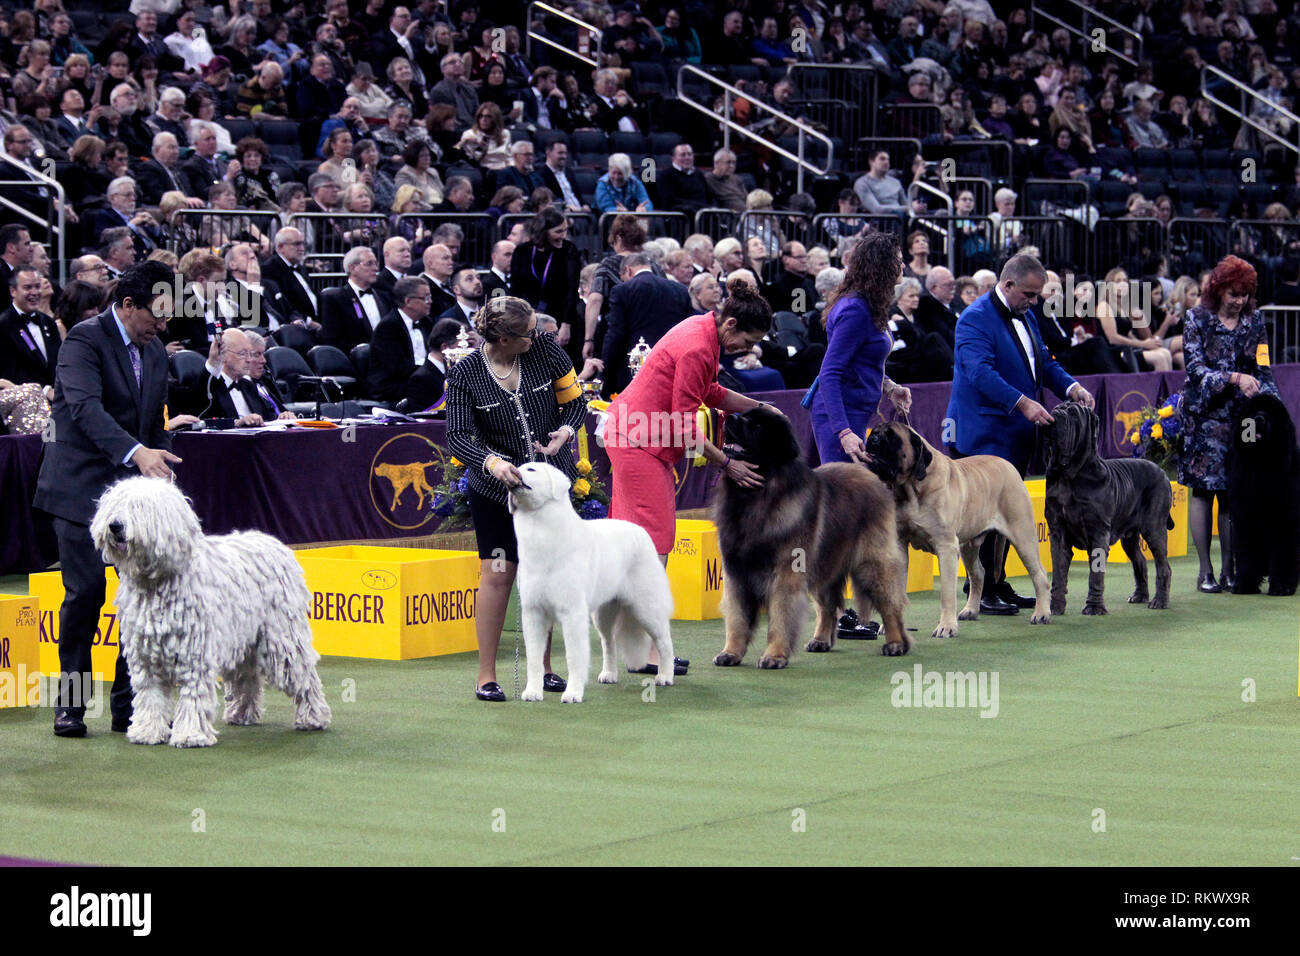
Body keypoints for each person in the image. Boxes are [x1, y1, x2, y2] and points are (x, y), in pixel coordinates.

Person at [33, 261, 180, 738]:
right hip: (78, 490)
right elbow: (84, 407)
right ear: (128, 304)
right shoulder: (83, 340)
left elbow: (156, 421)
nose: (163, 325)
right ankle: (71, 708)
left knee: (137, 599)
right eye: (155, 315)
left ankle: (128, 707)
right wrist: (138, 454)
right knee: (87, 594)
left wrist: (161, 476)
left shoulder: (155, 351)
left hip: (133, 499)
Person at [445, 296, 587, 701]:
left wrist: (565, 431)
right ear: (503, 338)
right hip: (495, 489)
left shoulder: (545, 348)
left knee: (545, 576)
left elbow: (573, 400)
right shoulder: (466, 372)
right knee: (498, 573)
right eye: (526, 334)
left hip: (548, 487)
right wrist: (490, 462)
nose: (538, 337)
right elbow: (458, 436)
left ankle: (543, 669)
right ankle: (486, 676)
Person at [946, 254, 1095, 614]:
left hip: (1013, 434)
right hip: (982, 434)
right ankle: (978, 590)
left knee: (1006, 515)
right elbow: (979, 373)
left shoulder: (1026, 315)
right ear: (1008, 284)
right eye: (1029, 294)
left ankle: (996, 582)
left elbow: (1043, 361)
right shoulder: (974, 319)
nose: (1034, 301)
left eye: (1038, 295)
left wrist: (1072, 388)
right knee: (980, 517)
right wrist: (1023, 403)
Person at [604, 278, 773, 596]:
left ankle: (632, 637)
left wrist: (760, 408)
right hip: (636, 441)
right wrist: (727, 463)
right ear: (732, 323)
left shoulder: (704, 327)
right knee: (656, 538)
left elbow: (709, 391)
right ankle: (651, 644)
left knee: (631, 538)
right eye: (748, 340)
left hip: (632, 435)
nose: (748, 349)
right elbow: (684, 427)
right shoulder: (698, 346)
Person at [1179, 256, 1279, 593]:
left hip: (1243, 420)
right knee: (1204, 490)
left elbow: (1264, 369)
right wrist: (1234, 377)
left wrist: (1273, 408)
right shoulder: (1195, 319)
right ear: (1218, 289)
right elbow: (1194, 369)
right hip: (1203, 416)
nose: (1239, 302)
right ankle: (1205, 571)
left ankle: (1230, 569)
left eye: (1245, 295)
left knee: (1235, 493)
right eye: (1233, 294)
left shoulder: (1256, 322)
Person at [808, 231, 913, 468]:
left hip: (851, 411)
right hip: (840, 414)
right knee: (843, 498)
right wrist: (843, 432)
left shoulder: (868, 303)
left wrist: (888, 387)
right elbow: (830, 373)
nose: (903, 265)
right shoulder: (855, 310)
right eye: (898, 260)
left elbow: (859, 362)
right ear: (882, 266)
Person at [600, 252, 694, 395]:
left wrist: (604, 369)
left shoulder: (622, 290)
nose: (623, 280)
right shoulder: (680, 290)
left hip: (634, 367)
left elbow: (615, 333)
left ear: (627, 270)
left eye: (622, 277)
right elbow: (687, 330)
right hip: (671, 366)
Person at [508, 208, 582, 359]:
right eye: (558, 231)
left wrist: (566, 326)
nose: (563, 236)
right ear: (543, 231)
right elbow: (515, 290)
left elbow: (571, 290)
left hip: (562, 318)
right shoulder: (522, 251)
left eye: (565, 230)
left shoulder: (569, 250)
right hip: (530, 319)